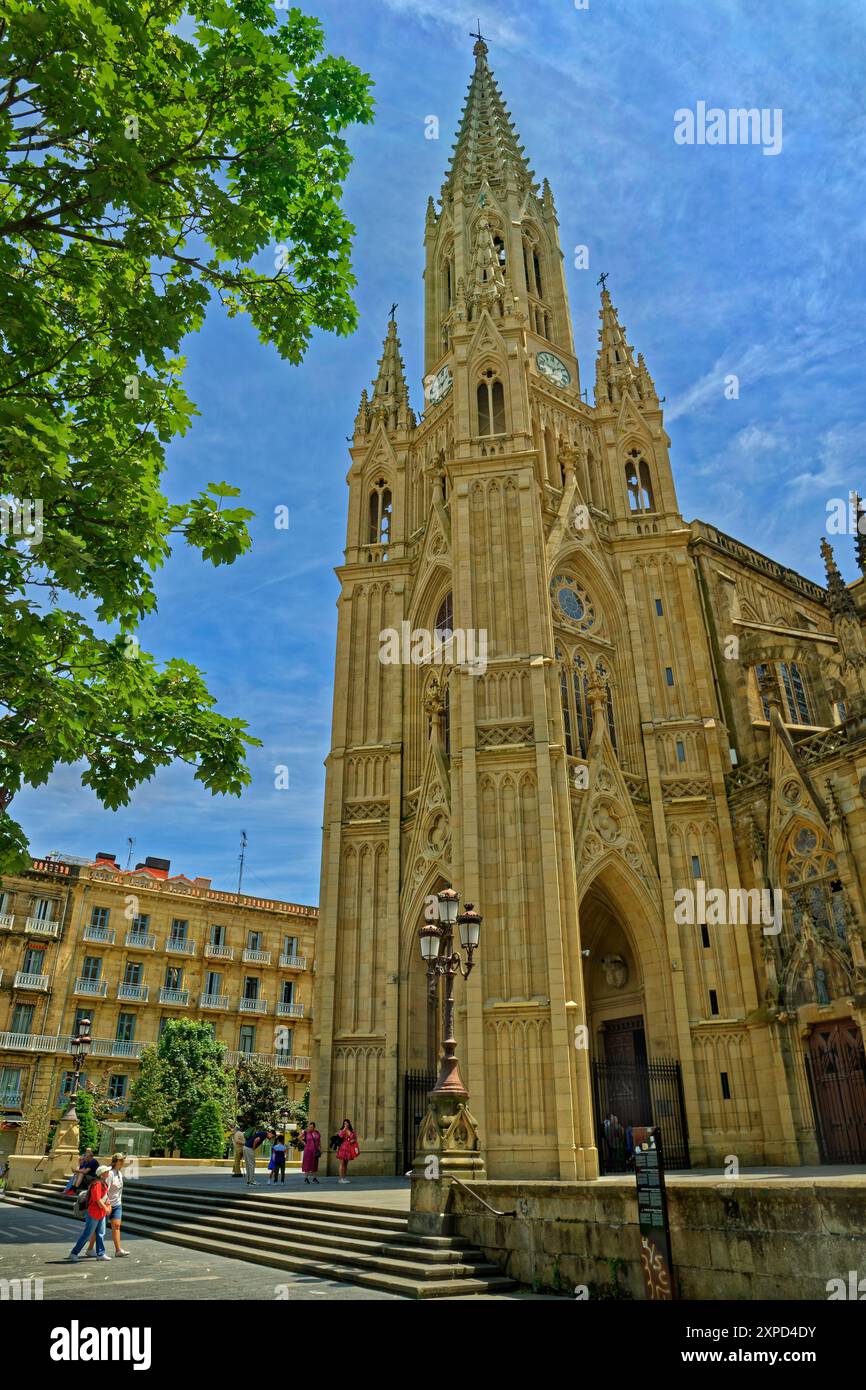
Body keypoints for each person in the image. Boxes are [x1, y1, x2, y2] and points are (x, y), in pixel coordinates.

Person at [87, 1153, 129, 1258]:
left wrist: (118, 1201)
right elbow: (105, 1190)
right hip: (106, 1204)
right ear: (117, 1161)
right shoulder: (109, 1173)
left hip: (117, 1204)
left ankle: (118, 1250)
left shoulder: (119, 1173)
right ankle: (90, 1248)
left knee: (117, 1226)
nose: (123, 1162)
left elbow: (119, 1190)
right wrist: (106, 1205)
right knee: (98, 1229)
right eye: (122, 1160)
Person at [67, 1165, 111, 1261]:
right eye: (107, 1171)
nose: (108, 1173)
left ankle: (101, 1254)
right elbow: (97, 1199)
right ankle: (74, 1253)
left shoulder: (103, 1183)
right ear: (102, 1174)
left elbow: (105, 1198)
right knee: (87, 1234)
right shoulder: (97, 1184)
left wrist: (108, 1206)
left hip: (101, 1212)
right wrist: (106, 1208)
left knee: (100, 1233)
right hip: (94, 1212)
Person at [336, 1118, 359, 1184]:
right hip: (343, 1148)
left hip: (349, 1148)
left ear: (349, 1123)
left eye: (347, 1123)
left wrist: (353, 1140)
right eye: (344, 1123)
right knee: (342, 1163)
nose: (346, 1124)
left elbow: (355, 1138)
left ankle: (344, 1178)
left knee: (346, 1164)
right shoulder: (342, 1130)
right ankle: (340, 1179)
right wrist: (344, 1129)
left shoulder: (351, 1131)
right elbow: (340, 1136)